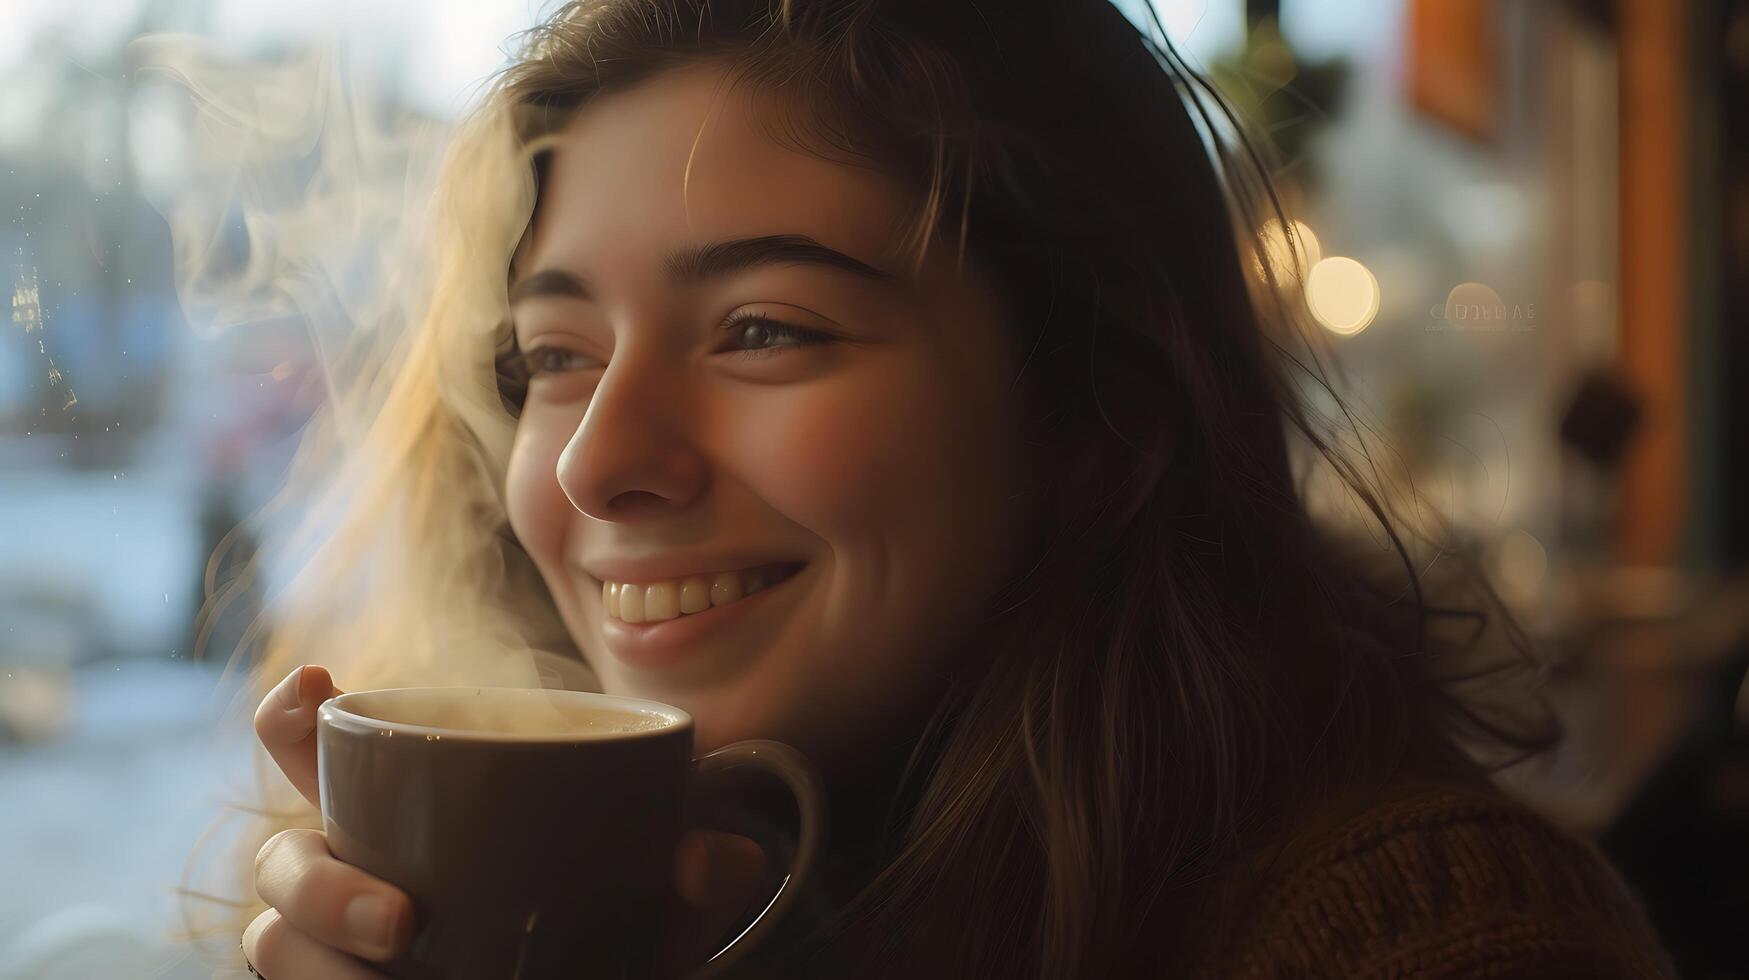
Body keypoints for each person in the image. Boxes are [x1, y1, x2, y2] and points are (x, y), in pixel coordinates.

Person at [217, 0, 1677, 976]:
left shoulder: (1435, 935)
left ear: (1100, 415)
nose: (597, 459)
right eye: (548, 353)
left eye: (764, 331)